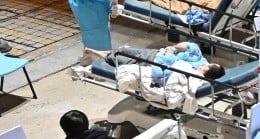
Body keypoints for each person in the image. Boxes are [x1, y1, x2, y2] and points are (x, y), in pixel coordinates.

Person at [85, 42, 226, 84]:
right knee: (124, 50)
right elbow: (192, 46)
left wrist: (170, 56)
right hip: (156, 53)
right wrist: (174, 48)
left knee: (120, 58)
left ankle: (101, 54)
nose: (205, 64)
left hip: (150, 63)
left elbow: (168, 71)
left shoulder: (193, 75)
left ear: (206, 72)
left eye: (207, 66)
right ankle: (103, 52)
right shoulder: (200, 60)